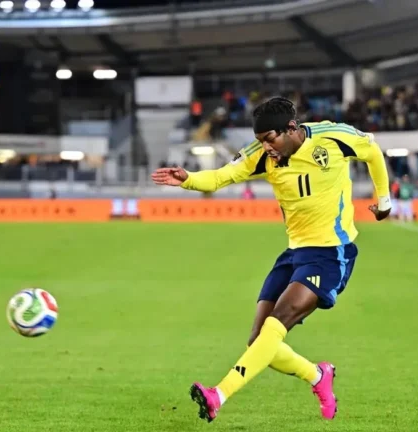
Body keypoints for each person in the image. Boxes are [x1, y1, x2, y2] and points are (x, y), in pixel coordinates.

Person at [151, 97, 391, 423]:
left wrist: (384, 201)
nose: (265, 147)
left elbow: (372, 150)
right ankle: (318, 376)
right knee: (258, 341)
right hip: (294, 254)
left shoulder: (333, 137)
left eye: (270, 139)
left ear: (291, 128)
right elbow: (221, 176)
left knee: (276, 325)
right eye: (260, 140)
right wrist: (189, 179)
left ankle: (218, 394)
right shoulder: (261, 156)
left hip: (330, 253)